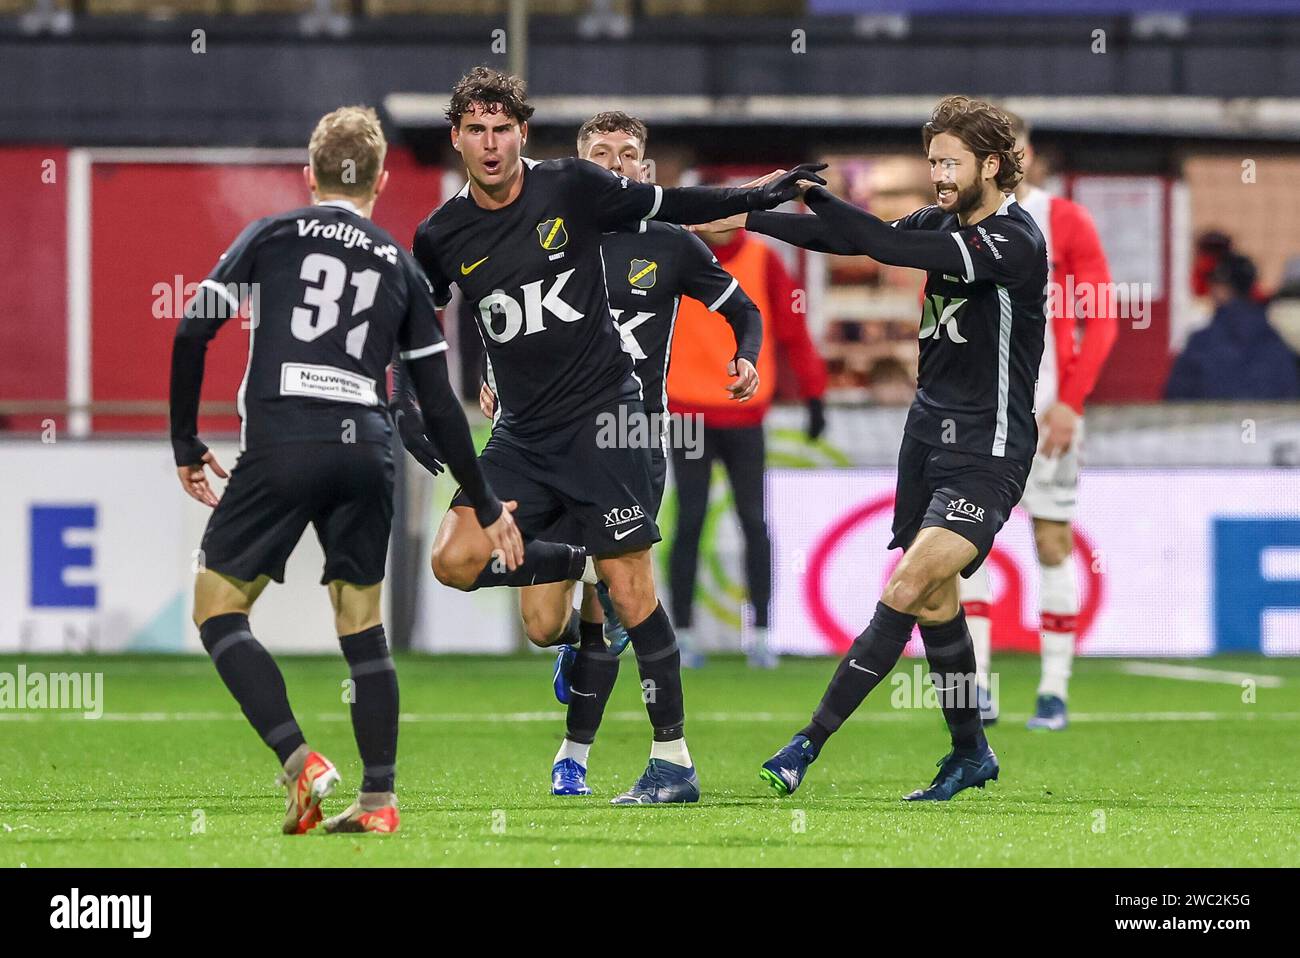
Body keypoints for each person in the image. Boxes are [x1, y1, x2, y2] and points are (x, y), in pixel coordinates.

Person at [405, 66, 822, 804]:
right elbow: (416, 323)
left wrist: (757, 196)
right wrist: (406, 401)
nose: (492, 143)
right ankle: (580, 558)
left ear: (523, 134)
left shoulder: (571, 188)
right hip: (522, 436)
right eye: (477, 129)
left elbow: (677, 203)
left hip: (610, 422)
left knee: (629, 593)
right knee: (457, 560)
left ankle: (673, 764)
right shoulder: (441, 234)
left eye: (504, 128)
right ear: (457, 139)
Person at [169, 106, 521, 835]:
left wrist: (183, 441)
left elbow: (193, 328)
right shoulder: (399, 264)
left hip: (285, 437)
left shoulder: (272, 234)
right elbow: (442, 406)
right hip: (367, 444)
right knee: (361, 625)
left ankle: (301, 762)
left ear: (309, 175)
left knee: (218, 607)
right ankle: (379, 800)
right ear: (383, 180)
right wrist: (483, 501)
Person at [701, 95, 1047, 801]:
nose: (939, 176)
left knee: (904, 588)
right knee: (935, 602)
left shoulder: (1014, 241)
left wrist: (814, 193)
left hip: (990, 449)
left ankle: (807, 745)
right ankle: (970, 753)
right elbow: (855, 241)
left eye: (950, 163)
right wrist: (755, 216)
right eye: (933, 163)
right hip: (926, 439)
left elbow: (887, 247)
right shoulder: (941, 222)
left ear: (990, 165)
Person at [475, 111, 764, 796]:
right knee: (546, 625)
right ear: (576, 165)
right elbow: (498, 318)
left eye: (627, 153)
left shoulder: (671, 244)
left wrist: (745, 357)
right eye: (599, 152)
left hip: (627, 441)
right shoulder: (542, 237)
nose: (614, 163)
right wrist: (492, 374)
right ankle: (579, 612)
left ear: (645, 170)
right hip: (545, 440)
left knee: (618, 594)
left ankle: (577, 758)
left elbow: (742, 310)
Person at [959, 111, 1118, 731]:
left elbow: (1100, 315)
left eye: (1013, 147)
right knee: (966, 548)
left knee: (1052, 544)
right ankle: (977, 687)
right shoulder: (962, 225)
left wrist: (1072, 401)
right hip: (979, 415)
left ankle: (1053, 690)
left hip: (1047, 412)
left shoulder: (1065, 220)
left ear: (1027, 155)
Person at [668, 212, 828, 669]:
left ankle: (761, 633)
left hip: (744, 411)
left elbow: (792, 330)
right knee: (691, 520)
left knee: (753, 521)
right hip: (686, 411)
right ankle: (682, 633)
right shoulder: (676, 252)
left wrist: (814, 393)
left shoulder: (764, 260)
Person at [1165, 253, 1299, 400]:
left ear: (1220, 289)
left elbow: (1175, 398)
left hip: (1213, 421)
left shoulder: (1202, 343)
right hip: (1267, 421)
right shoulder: (1276, 341)